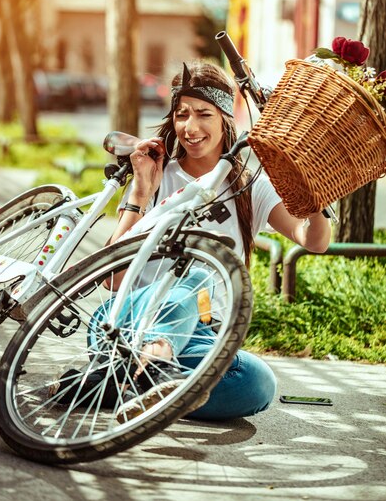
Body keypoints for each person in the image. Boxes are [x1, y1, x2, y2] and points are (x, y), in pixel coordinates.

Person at [52, 60, 331, 422]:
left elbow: (313, 241)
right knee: (195, 275)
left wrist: (315, 200)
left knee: (257, 383)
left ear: (226, 120)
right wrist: (140, 191)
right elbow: (111, 279)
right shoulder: (155, 173)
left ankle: (126, 384)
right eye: (182, 114)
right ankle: (157, 366)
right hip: (128, 319)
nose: (191, 126)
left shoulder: (249, 187)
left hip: (200, 333)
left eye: (204, 114)